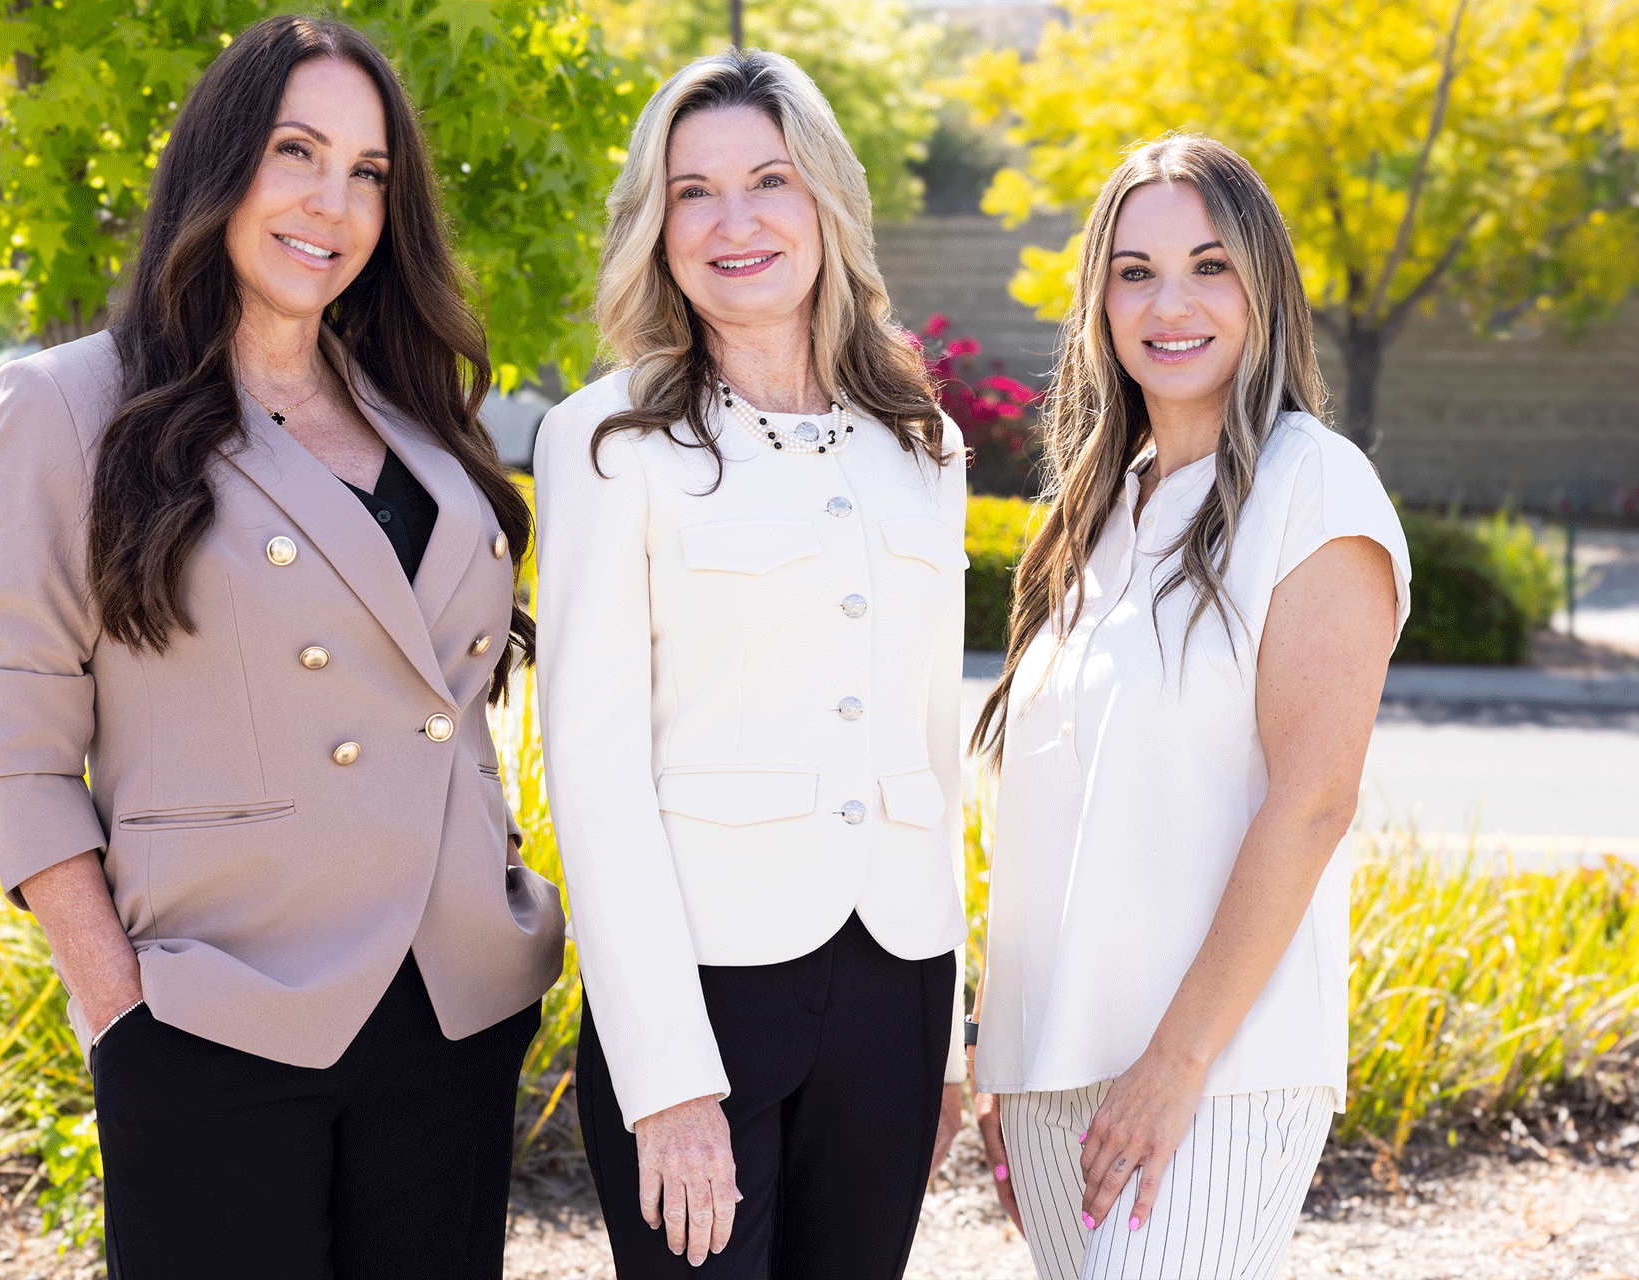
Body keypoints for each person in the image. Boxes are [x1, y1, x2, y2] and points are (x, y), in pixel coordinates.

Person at [0, 16, 564, 1277]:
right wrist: (119, 1009)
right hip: (217, 1014)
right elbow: (16, 733)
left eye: (369, 171)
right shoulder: (70, 404)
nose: (331, 202)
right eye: (296, 152)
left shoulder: (417, 415)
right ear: (221, 165)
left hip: (452, 1003)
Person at [532, 49, 968, 1280]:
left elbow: (936, 751)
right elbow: (595, 772)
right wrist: (667, 1079)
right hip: (704, 994)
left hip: (897, 984)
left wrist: (948, 1038)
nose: (736, 222)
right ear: (655, 225)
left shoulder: (922, 445)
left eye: (769, 180)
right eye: (693, 191)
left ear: (825, 199)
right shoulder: (609, 442)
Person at [964, 134, 1411, 1280]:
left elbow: (1312, 803)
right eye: (1134, 270)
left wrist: (1173, 1064)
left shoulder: (1313, 484)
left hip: (1212, 1071)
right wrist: (998, 1060)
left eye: (1210, 265)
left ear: (1264, 285)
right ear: (1098, 299)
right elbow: (1053, 824)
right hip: (1060, 1079)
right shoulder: (1093, 510)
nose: (1170, 302)